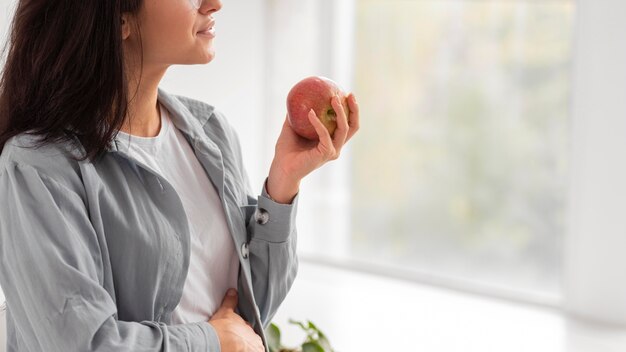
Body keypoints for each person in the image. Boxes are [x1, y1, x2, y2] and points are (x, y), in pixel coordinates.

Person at [0, 0, 359, 351]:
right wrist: (213, 341)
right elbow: (81, 343)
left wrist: (283, 184)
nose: (214, 4)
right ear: (120, 19)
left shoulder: (210, 132)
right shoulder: (38, 166)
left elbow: (248, 318)